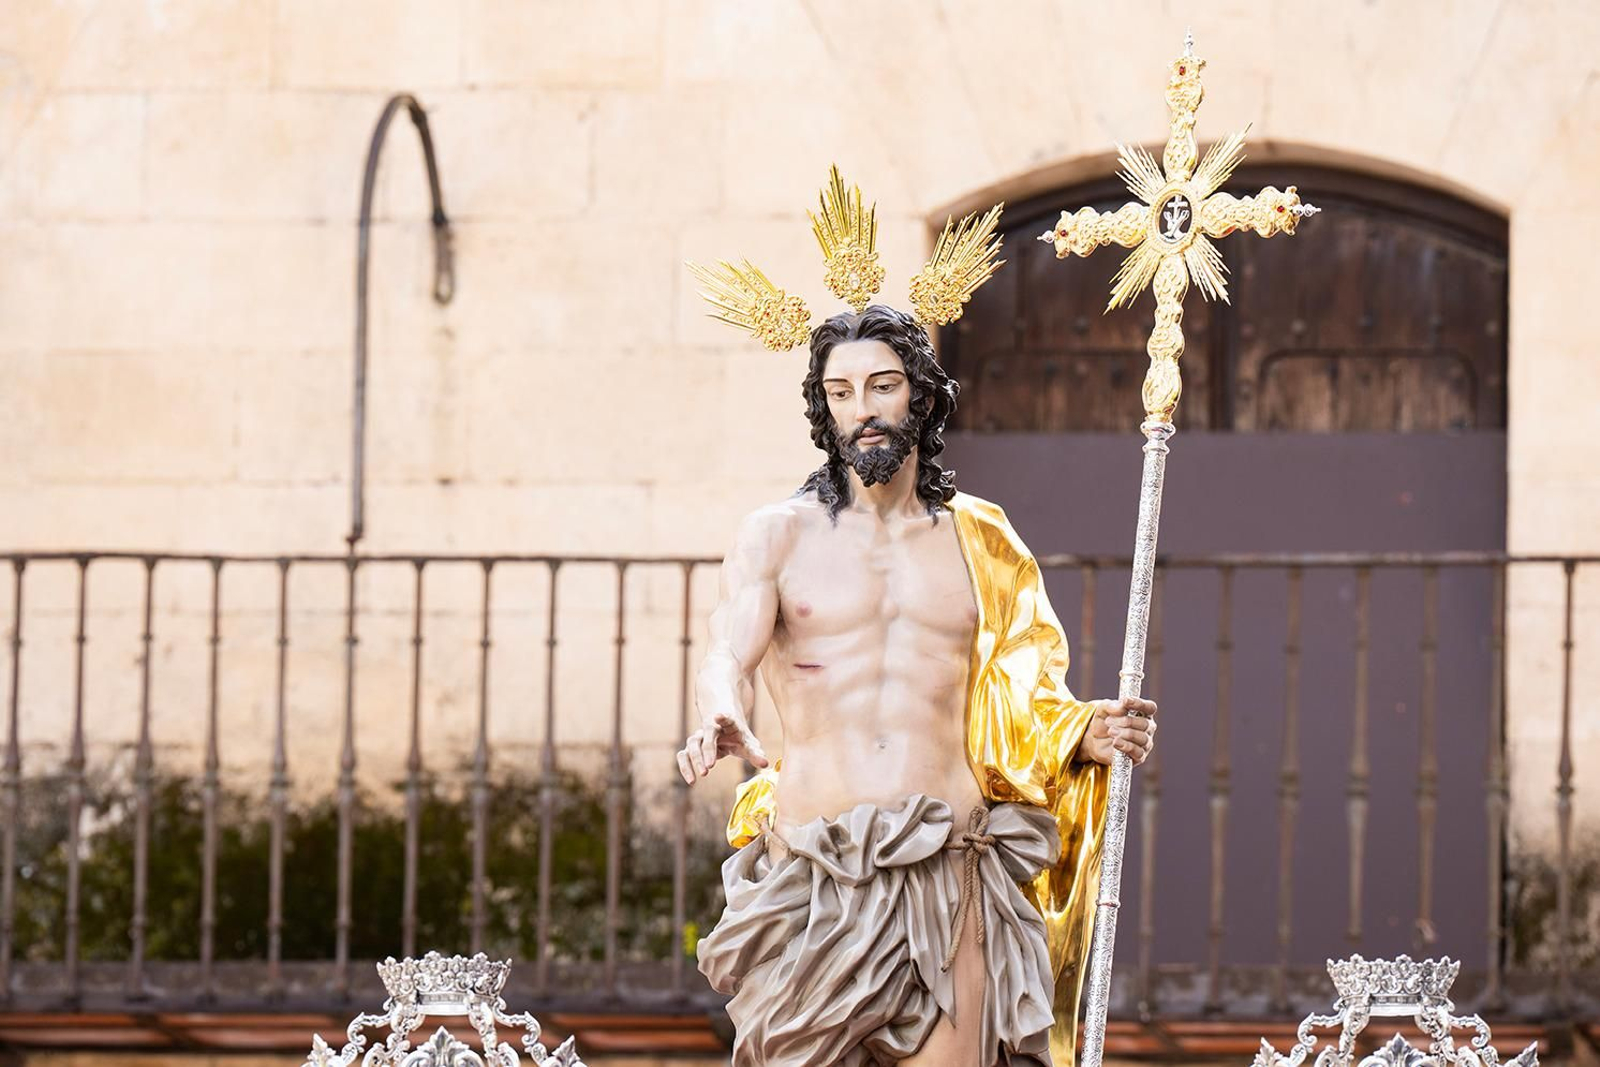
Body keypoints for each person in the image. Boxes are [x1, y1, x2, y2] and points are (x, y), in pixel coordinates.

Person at [680, 169, 1157, 1067]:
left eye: (884, 385)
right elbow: (726, 652)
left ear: (922, 395)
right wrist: (722, 708)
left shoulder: (983, 538)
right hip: (815, 868)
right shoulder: (776, 537)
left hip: (950, 870)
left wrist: (1082, 731)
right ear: (823, 408)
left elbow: (1025, 688)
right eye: (842, 391)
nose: (863, 408)